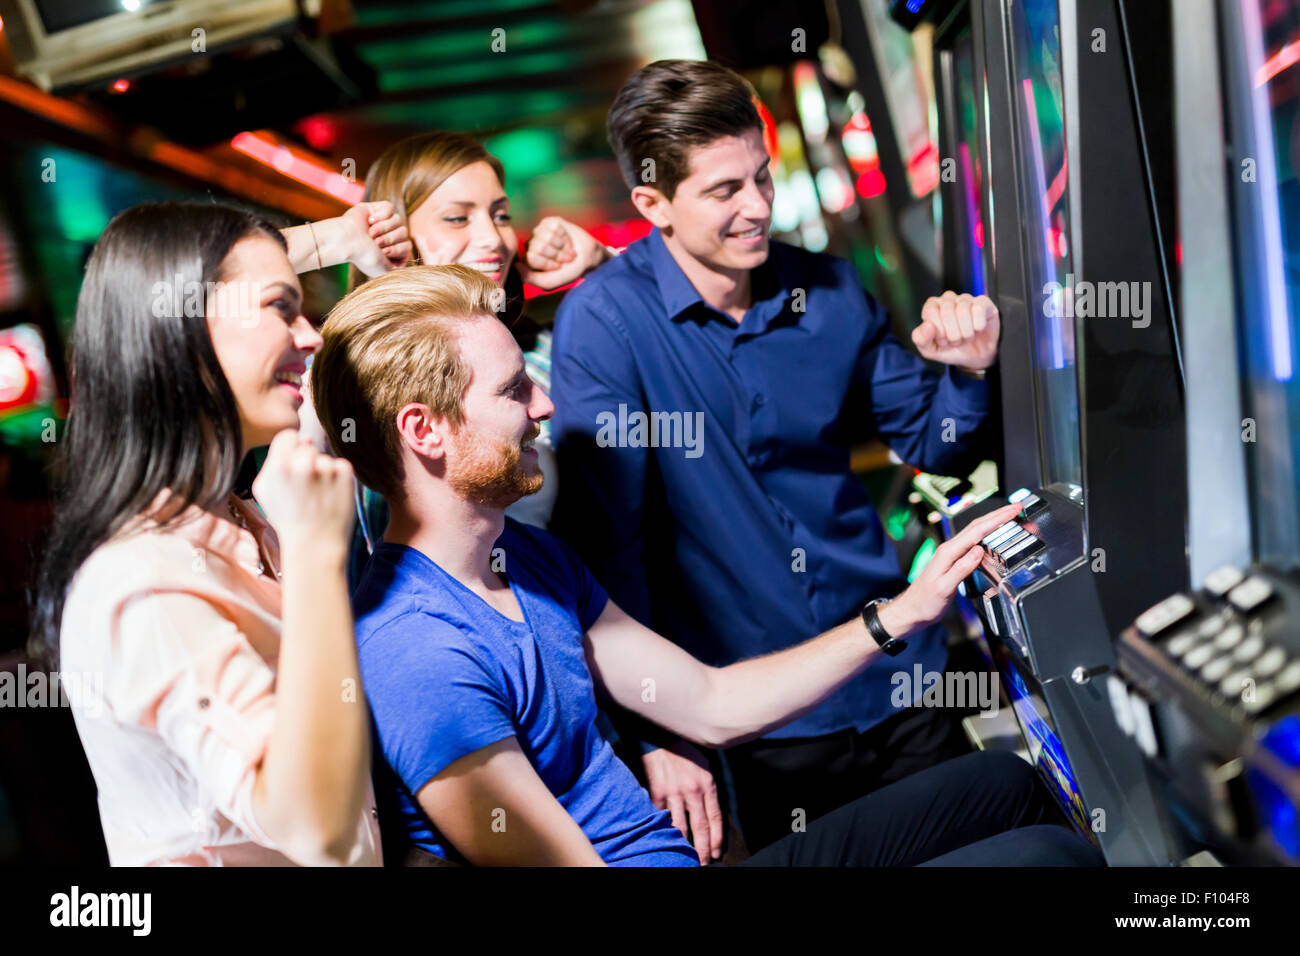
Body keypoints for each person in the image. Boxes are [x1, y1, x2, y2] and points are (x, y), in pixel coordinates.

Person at [312, 264, 1102, 868]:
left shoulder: (527, 558)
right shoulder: (415, 651)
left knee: (1006, 783)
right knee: (1046, 859)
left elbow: (713, 702)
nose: (546, 407)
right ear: (426, 431)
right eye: (516, 390)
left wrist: (904, 610)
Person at [549, 59, 1001, 857]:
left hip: (900, 674)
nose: (759, 208)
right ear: (652, 203)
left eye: (761, 177)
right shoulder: (606, 324)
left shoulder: (826, 290)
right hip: (760, 718)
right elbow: (607, 551)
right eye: (725, 191)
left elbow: (937, 446)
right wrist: (659, 729)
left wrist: (967, 369)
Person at [32, 201, 379, 866]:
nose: (311, 335)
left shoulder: (247, 523)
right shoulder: (142, 577)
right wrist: (314, 552)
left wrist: (343, 238)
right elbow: (313, 828)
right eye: (282, 308)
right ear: (180, 328)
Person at [341, 130, 614, 539]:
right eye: (457, 218)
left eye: (501, 215)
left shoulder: (542, 356)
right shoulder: (338, 374)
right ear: (390, 235)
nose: (494, 239)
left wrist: (604, 265)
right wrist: (327, 243)